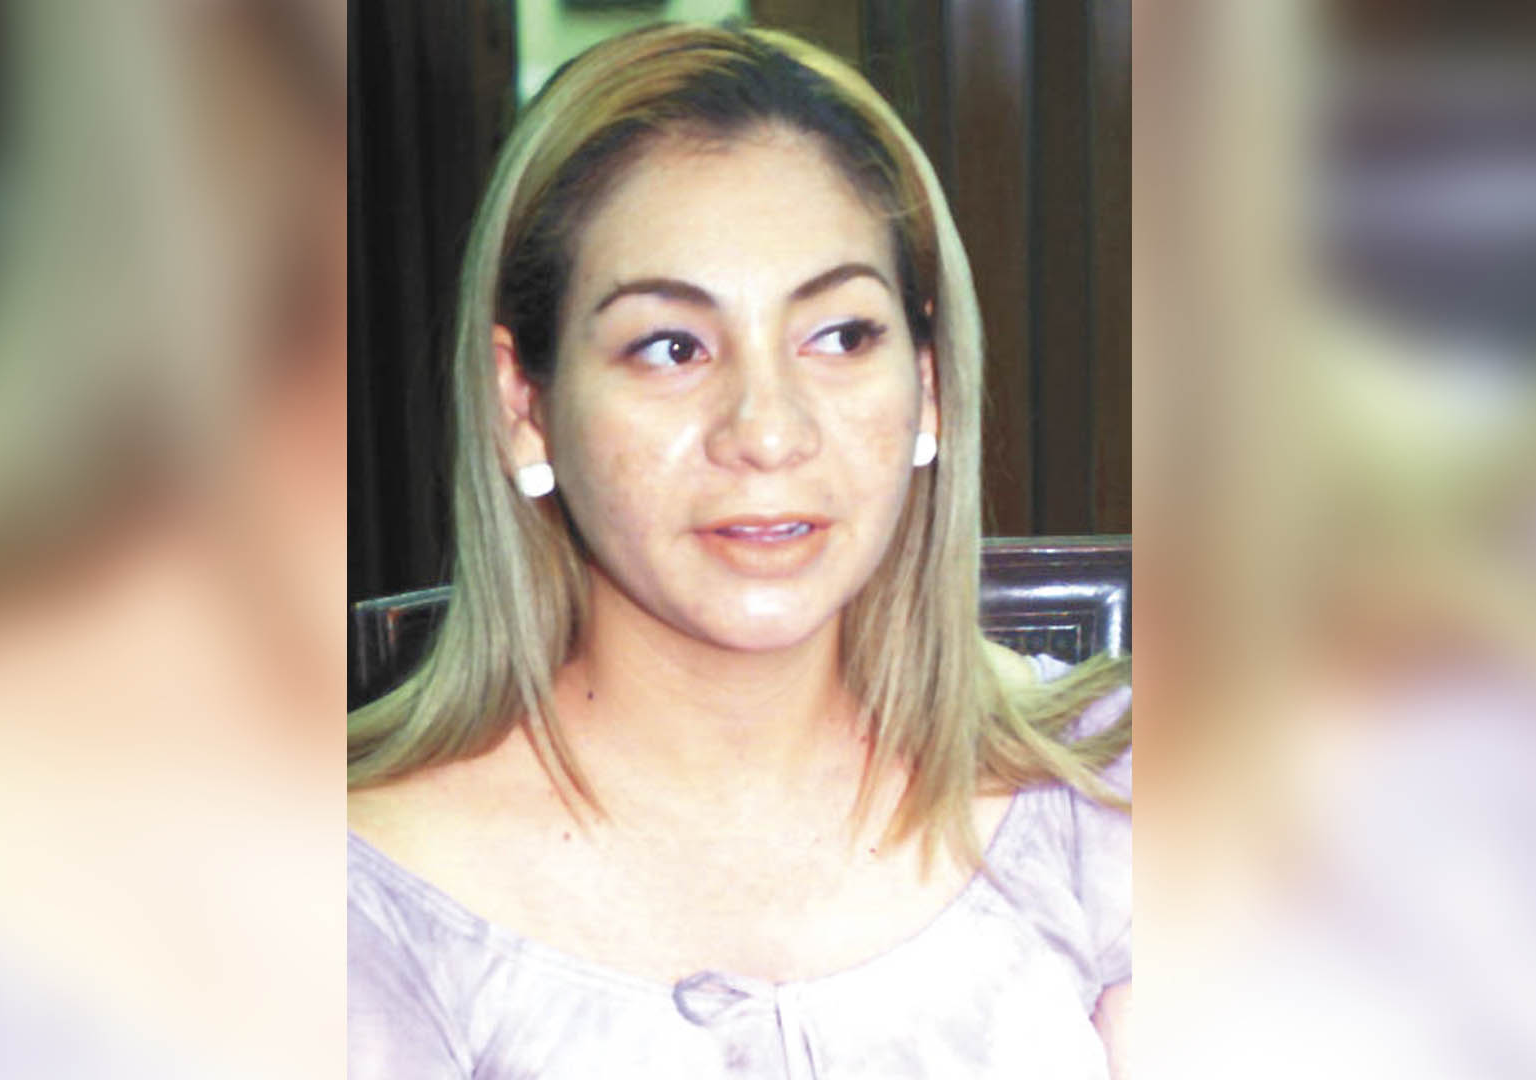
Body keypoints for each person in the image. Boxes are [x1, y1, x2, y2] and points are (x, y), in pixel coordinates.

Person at [347, 23, 1131, 1079]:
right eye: (670, 347)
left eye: (840, 336)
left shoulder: (1107, 793)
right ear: (523, 407)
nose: (767, 432)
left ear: (930, 383)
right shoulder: (354, 904)